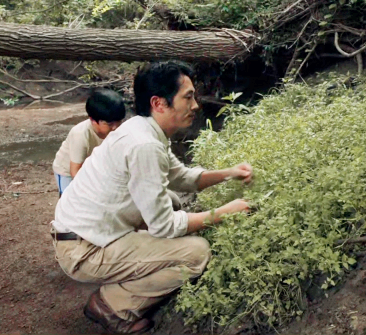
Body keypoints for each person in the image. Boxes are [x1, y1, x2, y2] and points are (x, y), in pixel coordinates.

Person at [50, 60, 253, 335]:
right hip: (84, 251)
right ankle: (112, 305)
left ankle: (127, 273)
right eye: (188, 97)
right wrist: (223, 213)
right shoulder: (144, 144)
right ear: (159, 103)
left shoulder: (143, 129)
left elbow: (182, 178)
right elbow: (164, 226)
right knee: (196, 253)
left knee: (173, 202)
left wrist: (229, 173)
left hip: (86, 234)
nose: (195, 105)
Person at [51, 88, 125, 196]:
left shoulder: (117, 130)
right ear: (93, 120)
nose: (115, 127)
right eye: (110, 124)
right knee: (70, 199)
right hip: (67, 171)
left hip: (90, 166)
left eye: (118, 122)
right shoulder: (80, 134)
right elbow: (74, 172)